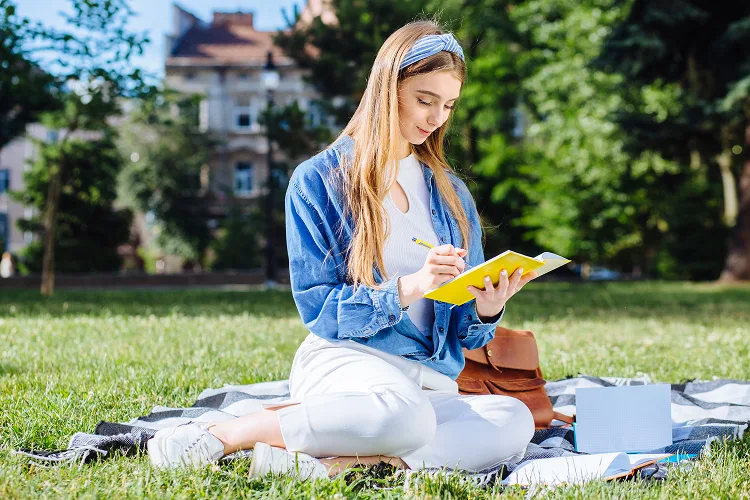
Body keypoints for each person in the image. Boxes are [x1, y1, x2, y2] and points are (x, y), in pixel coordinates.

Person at [147, 20, 538, 480]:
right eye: (425, 100)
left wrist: (488, 310)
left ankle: (346, 466)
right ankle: (226, 432)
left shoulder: (451, 193)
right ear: (387, 88)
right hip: (350, 361)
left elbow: (466, 334)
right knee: (405, 418)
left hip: (429, 380)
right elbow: (320, 309)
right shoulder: (320, 181)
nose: (437, 118)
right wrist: (410, 287)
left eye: (448, 104)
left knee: (514, 420)